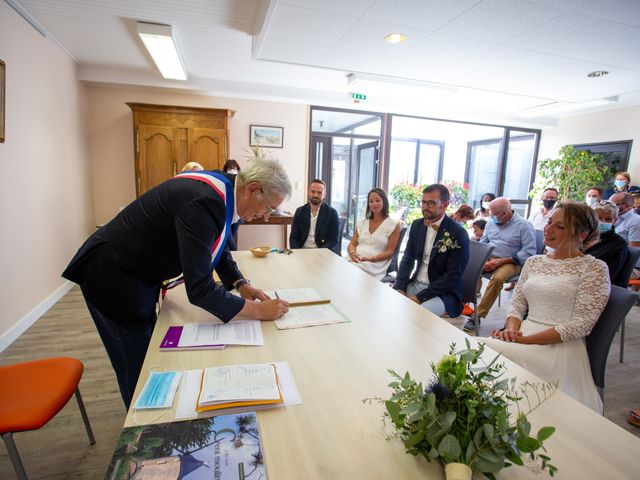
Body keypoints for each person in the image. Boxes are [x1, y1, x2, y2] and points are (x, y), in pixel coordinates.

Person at [63, 158, 292, 408]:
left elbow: (218, 243)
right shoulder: (206, 201)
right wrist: (258, 311)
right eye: (269, 206)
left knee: (149, 355)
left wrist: (240, 284)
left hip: (135, 273)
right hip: (113, 277)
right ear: (253, 188)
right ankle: (140, 431)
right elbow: (200, 289)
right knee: (138, 368)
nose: (266, 215)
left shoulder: (226, 189)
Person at [483, 202, 610, 413]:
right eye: (549, 222)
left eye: (560, 226)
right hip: (523, 334)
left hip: (559, 347)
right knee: (480, 353)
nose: (548, 230)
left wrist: (523, 340)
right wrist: (512, 330)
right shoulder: (534, 262)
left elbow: (582, 325)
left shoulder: (594, 268)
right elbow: (517, 303)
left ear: (582, 234)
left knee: (482, 351)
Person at [393, 184, 469, 317]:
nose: (425, 207)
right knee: (390, 303)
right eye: (423, 202)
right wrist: (400, 287)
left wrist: (420, 297)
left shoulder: (457, 233)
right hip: (416, 283)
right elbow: (407, 259)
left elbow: (453, 275)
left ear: (444, 205)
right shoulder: (417, 225)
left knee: (415, 314)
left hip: (442, 292)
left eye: (431, 203)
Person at [468, 197, 536, 331]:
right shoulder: (491, 223)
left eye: (493, 214)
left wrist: (500, 261)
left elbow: (529, 252)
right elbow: (484, 241)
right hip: (490, 257)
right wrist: (483, 258)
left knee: (497, 278)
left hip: (512, 261)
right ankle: (457, 304)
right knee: (467, 268)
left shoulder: (524, 225)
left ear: (504, 213)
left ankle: (477, 315)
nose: (490, 216)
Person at [347, 188, 401, 280]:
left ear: (384, 201)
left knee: (349, 274)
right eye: (371, 201)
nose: (374, 204)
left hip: (375, 264)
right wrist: (352, 253)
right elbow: (352, 244)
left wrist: (372, 259)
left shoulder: (393, 225)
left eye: (377, 200)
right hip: (355, 260)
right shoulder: (362, 222)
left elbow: (390, 252)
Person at [584, 200, 629, 288]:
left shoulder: (619, 244)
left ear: (615, 220)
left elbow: (610, 276)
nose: (603, 221)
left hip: (599, 286)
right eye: (599, 218)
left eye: (608, 219)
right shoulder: (583, 237)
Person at [290, 179, 340, 255]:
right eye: (313, 191)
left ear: (324, 195)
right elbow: (293, 238)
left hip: (323, 254)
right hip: (302, 253)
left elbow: (333, 241)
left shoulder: (332, 213)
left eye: (319, 193)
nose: (315, 195)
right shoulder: (299, 211)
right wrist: (297, 253)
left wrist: (319, 253)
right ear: (308, 192)